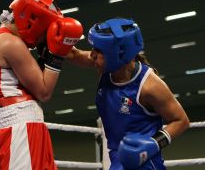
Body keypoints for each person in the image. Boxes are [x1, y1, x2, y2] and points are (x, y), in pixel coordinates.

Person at [65, 17, 190, 169]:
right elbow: (73, 54)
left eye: (98, 51)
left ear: (117, 54)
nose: (92, 55)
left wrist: (155, 143)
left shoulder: (150, 86)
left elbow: (181, 120)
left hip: (145, 162)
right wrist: (51, 32)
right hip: (117, 161)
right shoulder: (106, 66)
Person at [0, 0, 83, 170]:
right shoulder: (10, 43)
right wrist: (55, 56)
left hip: (19, 127)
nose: (44, 36)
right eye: (45, 30)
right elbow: (44, 91)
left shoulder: (5, 39)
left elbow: (75, 54)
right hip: (19, 129)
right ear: (33, 22)